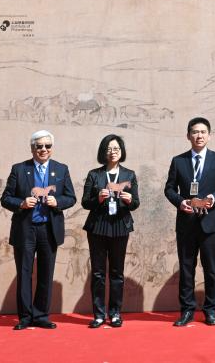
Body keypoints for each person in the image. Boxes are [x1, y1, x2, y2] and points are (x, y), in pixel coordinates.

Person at [0, 130, 77, 330]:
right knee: (24, 273)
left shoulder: (61, 169)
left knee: (46, 274)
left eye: (47, 146)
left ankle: (41, 316)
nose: (43, 149)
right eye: (39, 146)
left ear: (52, 148)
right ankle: (25, 317)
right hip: (25, 230)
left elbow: (71, 198)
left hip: (49, 230)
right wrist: (21, 203)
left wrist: (57, 201)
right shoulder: (19, 169)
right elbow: (5, 198)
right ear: (32, 148)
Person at [164, 117, 215, 327]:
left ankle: (211, 310)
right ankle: (187, 310)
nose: (199, 135)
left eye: (203, 132)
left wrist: (213, 198)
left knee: (211, 269)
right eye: (195, 132)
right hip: (186, 224)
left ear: (209, 136)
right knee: (187, 269)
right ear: (188, 136)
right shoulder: (179, 161)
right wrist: (181, 202)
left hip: (210, 224)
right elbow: (169, 189)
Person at [81, 134, 140, 328]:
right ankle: (99, 314)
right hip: (98, 226)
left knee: (117, 273)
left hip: (120, 226)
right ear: (103, 152)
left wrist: (129, 200)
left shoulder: (129, 174)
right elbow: (85, 203)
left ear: (121, 151)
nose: (112, 152)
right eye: (109, 149)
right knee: (98, 273)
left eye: (116, 148)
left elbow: (136, 203)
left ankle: (115, 313)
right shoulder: (94, 174)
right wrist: (98, 199)